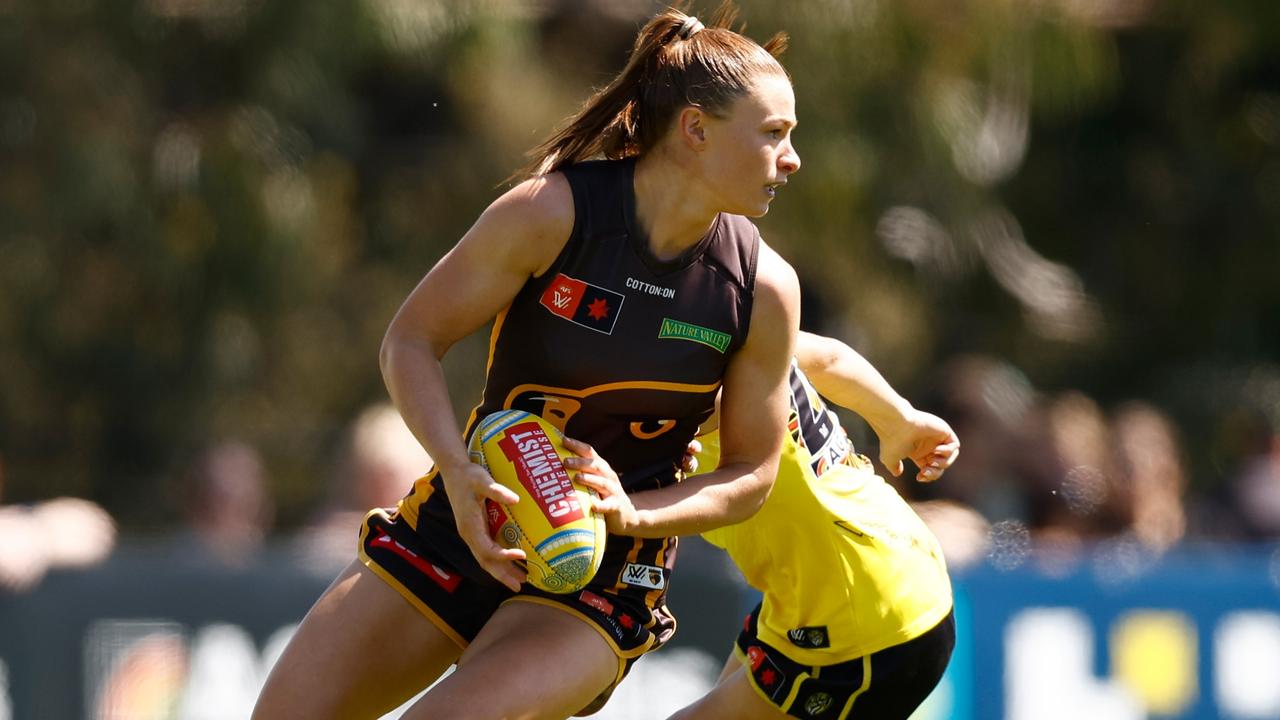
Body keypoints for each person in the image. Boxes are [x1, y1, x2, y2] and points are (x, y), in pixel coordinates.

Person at [254, 6, 803, 719]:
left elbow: (753, 473)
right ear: (695, 130)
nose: (791, 159)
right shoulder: (550, 214)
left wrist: (628, 512)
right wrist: (457, 472)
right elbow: (412, 340)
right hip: (464, 523)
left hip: (601, 575)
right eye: (774, 135)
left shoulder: (762, 288)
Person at [670, 331, 959, 720]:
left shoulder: (672, 372)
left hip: (859, 620)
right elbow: (829, 359)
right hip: (884, 570)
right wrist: (897, 418)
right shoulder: (737, 317)